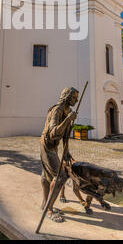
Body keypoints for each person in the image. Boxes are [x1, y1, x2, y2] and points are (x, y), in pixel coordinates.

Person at [40, 86, 79, 222]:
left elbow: (66, 135)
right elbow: (53, 132)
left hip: (53, 146)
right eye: (74, 97)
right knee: (60, 177)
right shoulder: (57, 110)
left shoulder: (68, 111)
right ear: (67, 96)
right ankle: (49, 210)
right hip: (47, 144)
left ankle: (45, 204)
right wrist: (68, 119)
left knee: (47, 176)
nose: (77, 100)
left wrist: (66, 150)